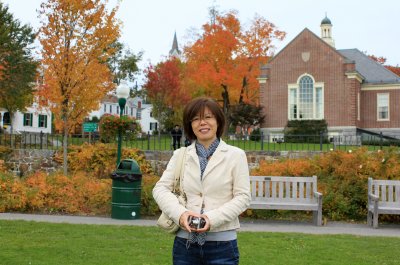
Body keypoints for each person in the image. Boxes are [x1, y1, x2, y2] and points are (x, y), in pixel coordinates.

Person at [153, 97, 251, 265]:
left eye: (208, 117)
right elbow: (160, 189)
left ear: (218, 121)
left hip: (223, 245)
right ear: (190, 125)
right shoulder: (181, 155)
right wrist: (181, 214)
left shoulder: (236, 155)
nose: (202, 123)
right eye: (196, 119)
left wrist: (210, 219)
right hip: (185, 245)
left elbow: (243, 197)